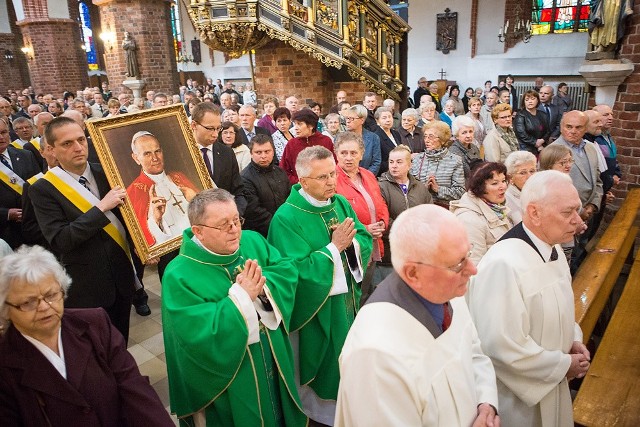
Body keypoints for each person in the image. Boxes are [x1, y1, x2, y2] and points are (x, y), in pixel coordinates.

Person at [335, 204, 499, 427]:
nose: (472, 269)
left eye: (467, 255)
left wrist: (486, 403)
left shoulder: (447, 291)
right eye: (458, 263)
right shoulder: (375, 355)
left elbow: (475, 354)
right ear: (413, 272)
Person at [162, 189, 308, 426]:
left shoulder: (252, 240)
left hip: (272, 357)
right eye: (223, 225)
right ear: (198, 231)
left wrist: (263, 288)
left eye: (236, 220)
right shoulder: (179, 274)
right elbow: (194, 334)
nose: (235, 229)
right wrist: (241, 297)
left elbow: (287, 269)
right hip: (232, 377)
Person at [468, 170, 590, 427]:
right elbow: (500, 345)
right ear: (534, 213)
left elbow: (558, 309)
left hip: (553, 384)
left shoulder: (552, 247)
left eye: (576, 210)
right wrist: (562, 365)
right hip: (520, 402)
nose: (577, 221)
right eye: (567, 212)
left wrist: (572, 340)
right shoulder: (504, 263)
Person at [0, 246, 174, 426]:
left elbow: (135, 390)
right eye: (28, 302)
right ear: (6, 309)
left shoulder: (94, 323)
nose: (44, 307)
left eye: (51, 295)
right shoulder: (6, 363)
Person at [268, 146, 373, 425]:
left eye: (332, 174)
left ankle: (351, 405)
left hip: (345, 303)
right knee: (325, 364)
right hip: (317, 310)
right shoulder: (286, 218)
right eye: (322, 178)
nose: (331, 182)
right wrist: (334, 248)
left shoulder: (339, 203)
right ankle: (323, 413)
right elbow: (292, 272)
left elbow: (362, 237)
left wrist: (352, 246)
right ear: (302, 181)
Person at [28, 117, 142, 341]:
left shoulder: (107, 172)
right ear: (50, 149)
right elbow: (61, 239)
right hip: (87, 287)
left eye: (81, 139)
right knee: (95, 350)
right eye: (67, 143)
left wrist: (145, 244)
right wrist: (101, 208)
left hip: (122, 276)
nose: (78, 148)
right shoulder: (43, 189)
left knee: (120, 343)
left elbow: (130, 220)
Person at [334, 132, 389, 303]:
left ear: (361, 154)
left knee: (365, 291)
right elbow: (335, 217)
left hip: (373, 244)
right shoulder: (332, 179)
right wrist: (364, 229)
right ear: (336, 153)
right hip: (352, 246)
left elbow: (380, 203)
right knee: (351, 294)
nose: (348, 158)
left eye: (353, 153)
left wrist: (382, 223)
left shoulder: (368, 175)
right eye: (344, 153)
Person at [551, 110, 603, 270]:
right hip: (567, 217)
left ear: (586, 128)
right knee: (565, 261)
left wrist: (593, 206)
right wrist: (578, 212)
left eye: (578, 127)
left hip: (589, 212)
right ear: (561, 127)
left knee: (581, 255)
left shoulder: (591, 149)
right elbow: (551, 191)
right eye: (569, 126)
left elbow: (597, 180)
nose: (573, 131)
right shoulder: (553, 151)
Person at [126, 131, 198, 247]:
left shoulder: (179, 177)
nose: (155, 158)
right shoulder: (132, 192)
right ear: (136, 158)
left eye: (157, 151)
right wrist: (156, 220)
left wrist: (195, 200)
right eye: (147, 154)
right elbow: (144, 240)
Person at [377, 145, 432, 284]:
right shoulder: (380, 186)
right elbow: (382, 218)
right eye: (391, 162)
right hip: (390, 254)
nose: (394, 166)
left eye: (399, 162)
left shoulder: (420, 187)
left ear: (409, 165)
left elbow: (429, 214)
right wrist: (406, 232)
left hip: (416, 252)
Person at [450, 162, 513, 265]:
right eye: (495, 183)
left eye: (503, 181)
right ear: (480, 188)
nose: (503, 187)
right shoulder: (469, 219)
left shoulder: (497, 208)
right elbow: (473, 265)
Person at [0, 118, 41, 249]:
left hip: (34, 229)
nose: (1, 137)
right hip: (5, 234)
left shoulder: (26, 155)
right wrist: (6, 214)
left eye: (4, 132)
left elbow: (40, 187)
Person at [241, 134, 291, 237]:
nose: (263, 156)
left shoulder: (280, 172)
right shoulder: (245, 178)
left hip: (286, 225)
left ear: (273, 152)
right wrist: (278, 227)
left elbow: (289, 199)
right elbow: (254, 212)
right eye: (258, 152)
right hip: (262, 233)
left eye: (267, 151)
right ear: (251, 154)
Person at [411, 120, 465, 208]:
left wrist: (438, 189)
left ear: (442, 140)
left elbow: (460, 192)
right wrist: (424, 188)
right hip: (421, 208)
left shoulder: (455, 161)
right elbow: (410, 188)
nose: (426, 140)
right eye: (425, 137)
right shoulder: (418, 159)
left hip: (444, 210)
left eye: (431, 137)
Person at [279, 109, 334, 184]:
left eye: (299, 124)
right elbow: (283, 170)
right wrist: (298, 182)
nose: (295, 128)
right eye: (295, 124)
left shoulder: (326, 141)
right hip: (300, 187)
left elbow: (335, 166)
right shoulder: (292, 144)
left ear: (311, 126)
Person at [343, 104, 382, 175]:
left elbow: (376, 162)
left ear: (362, 120)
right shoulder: (340, 138)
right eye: (347, 118)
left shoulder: (373, 138)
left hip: (367, 178)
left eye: (352, 118)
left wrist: (365, 176)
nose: (348, 121)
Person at [504, 150, 537, 224]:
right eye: (523, 173)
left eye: (532, 171)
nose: (529, 176)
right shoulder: (506, 200)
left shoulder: (541, 192)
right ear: (510, 177)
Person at [514, 90, 550, 154]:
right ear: (524, 102)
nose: (530, 102)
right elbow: (521, 134)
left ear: (537, 100)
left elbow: (548, 131)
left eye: (533, 99)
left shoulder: (543, 114)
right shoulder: (520, 114)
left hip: (542, 146)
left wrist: (542, 140)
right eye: (527, 100)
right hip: (525, 148)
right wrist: (535, 142)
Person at [449, 115, 482, 179]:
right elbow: (466, 174)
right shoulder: (453, 152)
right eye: (464, 133)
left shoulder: (474, 147)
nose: (468, 135)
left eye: (470, 131)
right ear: (457, 135)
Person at [374, 106, 402, 175]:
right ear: (377, 121)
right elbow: (378, 160)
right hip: (385, 173)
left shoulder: (396, 133)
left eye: (390, 117)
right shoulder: (376, 136)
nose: (388, 120)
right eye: (384, 118)